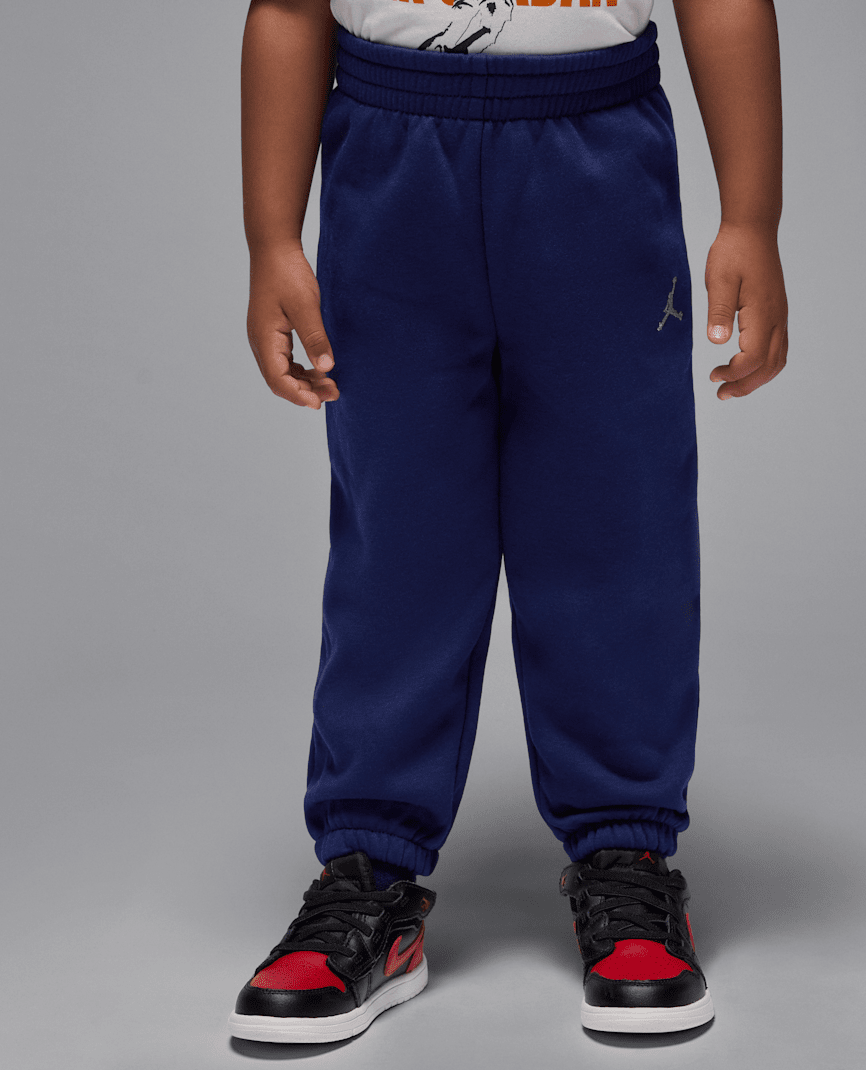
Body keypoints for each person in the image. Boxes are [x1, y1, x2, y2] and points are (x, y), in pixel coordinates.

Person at [229, 0, 787, 1043]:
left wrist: (751, 218)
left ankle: (625, 853)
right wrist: (271, 235)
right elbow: (290, 8)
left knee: (614, 526)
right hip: (391, 170)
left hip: (595, 163)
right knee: (398, 538)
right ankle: (368, 871)